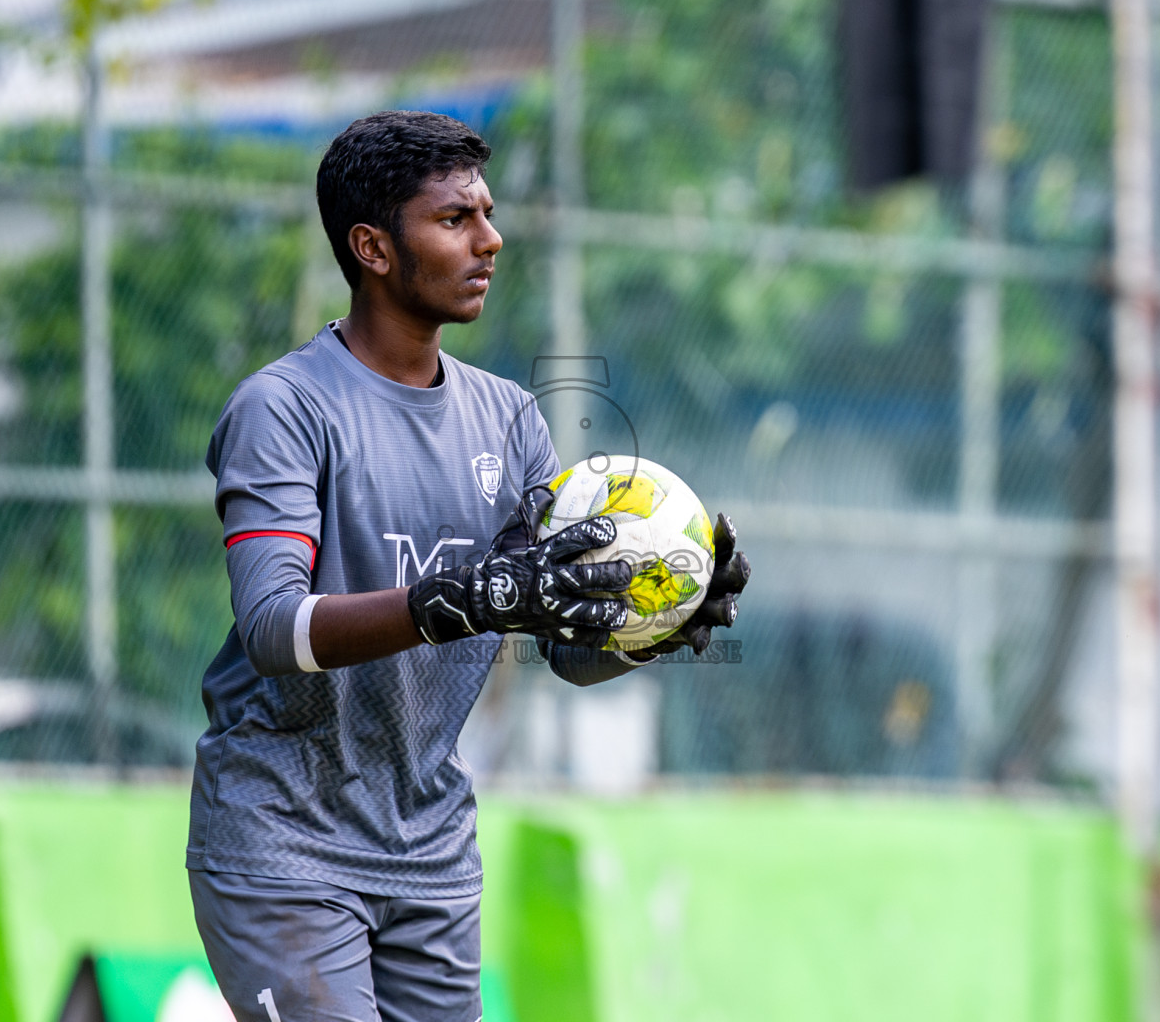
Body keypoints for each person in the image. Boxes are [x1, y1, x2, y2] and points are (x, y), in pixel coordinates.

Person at [186, 109, 749, 1022]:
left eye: (487, 214)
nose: (490, 239)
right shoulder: (282, 410)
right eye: (455, 220)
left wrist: (658, 624)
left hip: (430, 849)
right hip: (284, 842)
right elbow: (274, 629)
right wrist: (461, 598)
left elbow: (559, 643)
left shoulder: (510, 419)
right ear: (372, 247)